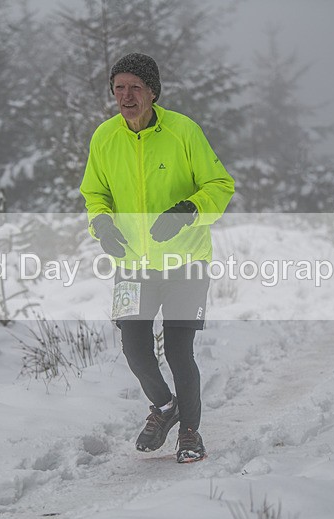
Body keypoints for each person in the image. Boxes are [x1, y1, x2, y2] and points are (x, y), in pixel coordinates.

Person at [80, 53, 234, 463]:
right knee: (134, 350)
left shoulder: (183, 131)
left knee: (179, 352)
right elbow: (94, 193)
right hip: (132, 266)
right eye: (119, 88)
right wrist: (103, 225)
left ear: (152, 91)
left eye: (134, 87)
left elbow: (220, 185)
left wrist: (188, 211)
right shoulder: (105, 137)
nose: (126, 96)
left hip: (188, 264)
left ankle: (190, 434)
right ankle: (167, 406)